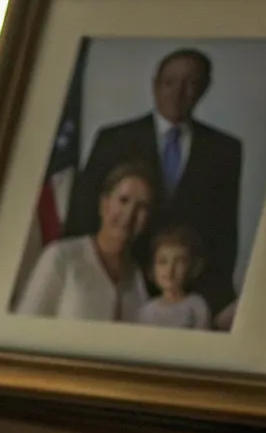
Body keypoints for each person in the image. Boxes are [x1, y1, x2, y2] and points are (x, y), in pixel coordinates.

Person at [63, 47, 243, 312]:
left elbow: (225, 235)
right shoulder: (114, 139)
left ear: (204, 88)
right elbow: (83, 213)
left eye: (190, 83)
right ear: (155, 84)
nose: (178, 92)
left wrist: (214, 304)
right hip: (117, 284)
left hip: (186, 296)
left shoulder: (225, 150)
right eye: (169, 82)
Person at [13, 161, 157, 321]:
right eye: (123, 200)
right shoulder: (61, 257)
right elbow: (23, 327)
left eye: (142, 206)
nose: (130, 214)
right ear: (104, 204)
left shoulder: (138, 278)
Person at [132, 225, 213, 330]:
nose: (170, 270)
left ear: (191, 266)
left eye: (179, 262)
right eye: (162, 262)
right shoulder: (146, 312)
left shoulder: (197, 306)